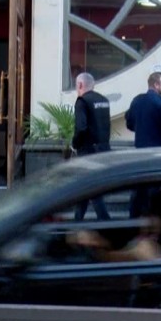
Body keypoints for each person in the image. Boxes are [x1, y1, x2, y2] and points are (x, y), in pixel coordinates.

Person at [72, 73, 111, 221]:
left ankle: (105, 221)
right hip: (103, 149)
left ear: (80, 85)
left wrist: (75, 144)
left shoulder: (82, 101)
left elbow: (81, 128)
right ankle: (77, 221)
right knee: (86, 187)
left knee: (90, 187)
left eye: (76, 86)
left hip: (88, 150)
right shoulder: (104, 100)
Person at [125, 72, 161, 148]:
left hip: (140, 147)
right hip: (160, 148)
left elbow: (129, 124)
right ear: (156, 85)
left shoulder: (136, 100)